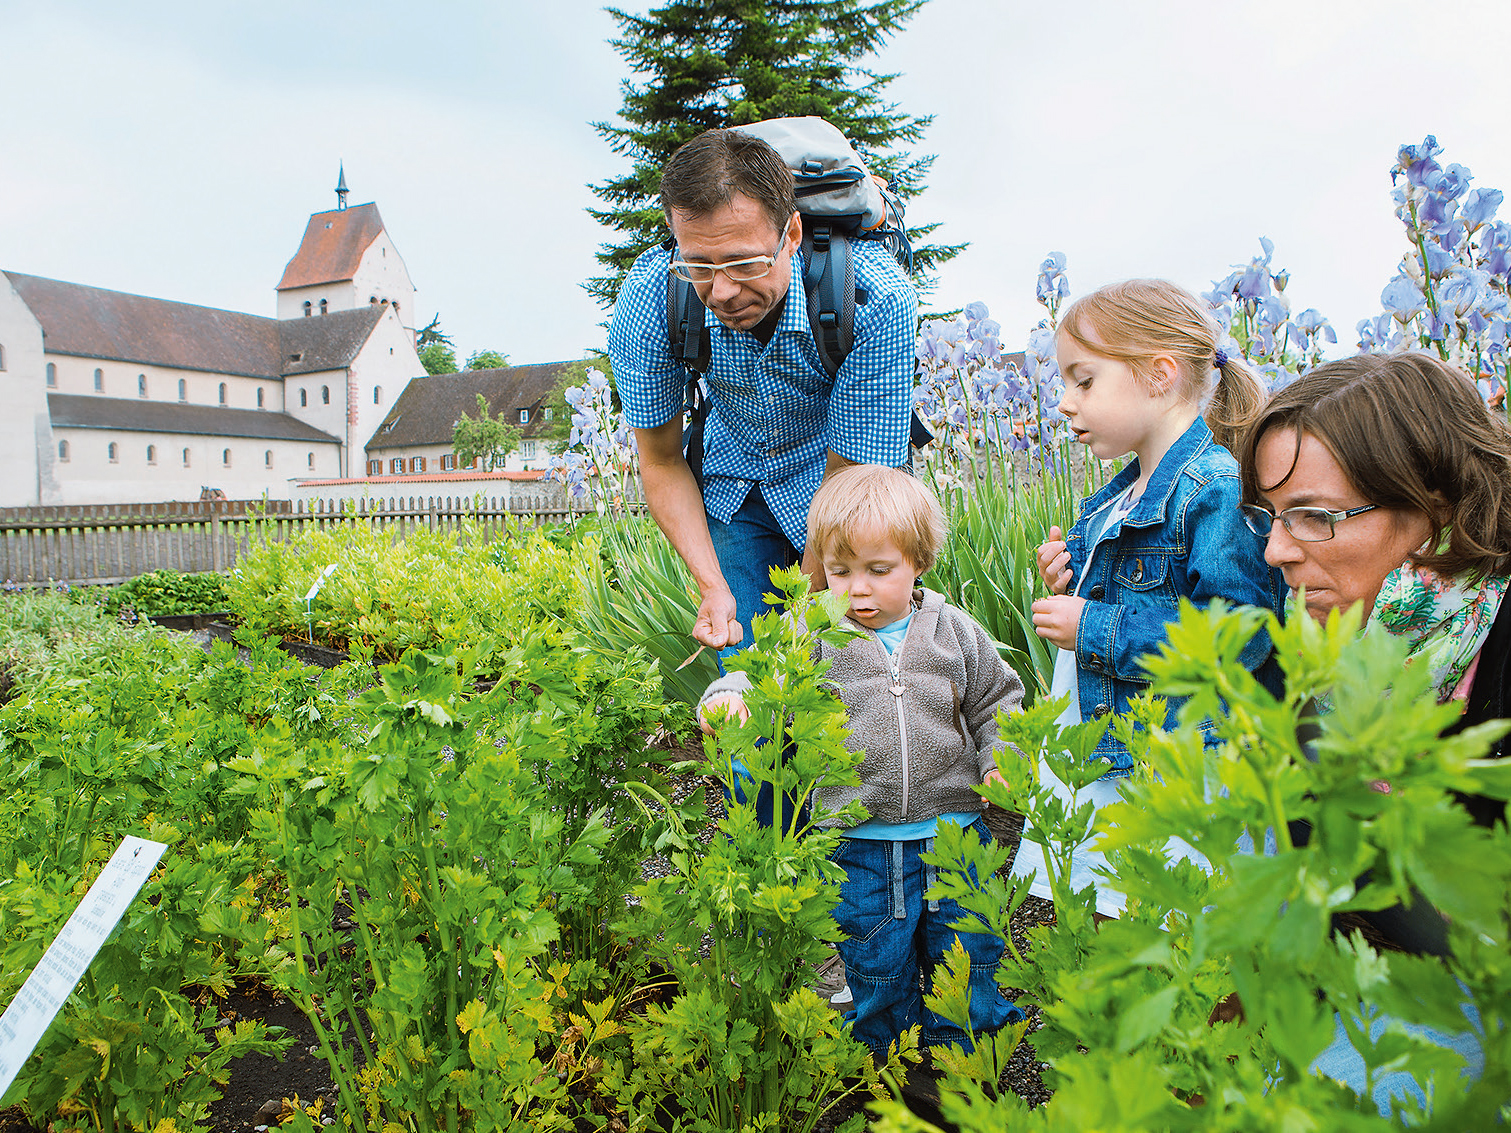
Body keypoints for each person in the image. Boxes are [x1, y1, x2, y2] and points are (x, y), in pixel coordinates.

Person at [1237, 351, 1511, 1115]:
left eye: (1314, 516)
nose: (1275, 550)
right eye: (1270, 514)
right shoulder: (1325, 635)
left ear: (1437, 501)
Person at [698, 465, 1027, 1074]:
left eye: (878, 571)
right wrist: (728, 697)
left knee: (972, 959)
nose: (856, 590)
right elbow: (759, 676)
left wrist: (1000, 758)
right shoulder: (813, 634)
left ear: (919, 561)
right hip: (858, 844)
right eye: (839, 571)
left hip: (953, 836)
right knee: (875, 969)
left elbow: (995, 702)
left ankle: (968, 1077)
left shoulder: (954, 632)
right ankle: (892, 1080)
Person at [1017, 279, 1286, 917]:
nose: (1063, 402)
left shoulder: (1211, 489)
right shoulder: (1124, 491)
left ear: (1158, 375)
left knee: (1174, 917)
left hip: (1174, 762)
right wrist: (1071, 574)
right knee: (1115, 909)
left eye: (1084, 382)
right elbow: (1133, 580)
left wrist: (1095, 625)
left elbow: (1238, 634)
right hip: (1112, 745)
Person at [607, 127, 917, 662]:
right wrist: (712, 586)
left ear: (791, 233)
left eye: (746, 263)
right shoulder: (652, 297)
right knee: (747, 685)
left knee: (855, 679)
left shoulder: (871, 298)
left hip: (844, 481)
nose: (722, 292)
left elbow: (852, 478)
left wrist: (803, 609)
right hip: (735, 483)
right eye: (699, 266)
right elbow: (659, 462)